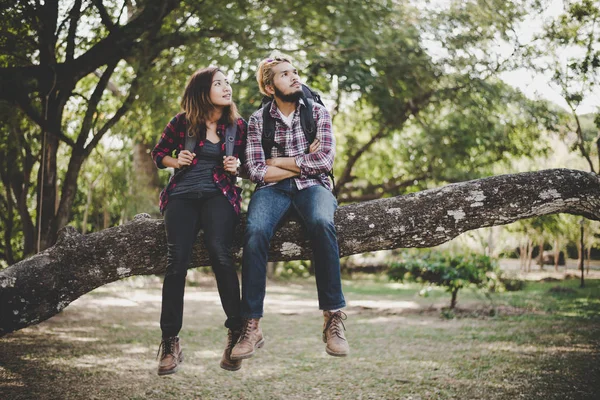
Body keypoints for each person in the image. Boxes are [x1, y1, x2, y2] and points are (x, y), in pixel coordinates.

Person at [230, 54, 349, 361]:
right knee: (254, 231)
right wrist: (300, 164)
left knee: (323, 223)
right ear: (270, 88)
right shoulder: (258, 120)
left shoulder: (318, 113)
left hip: (315, 189)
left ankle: (333, 318)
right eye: (285, 74)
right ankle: (252, 326)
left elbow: (325, 162)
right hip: (272, 190)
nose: (295, 77)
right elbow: (255, 170)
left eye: (295, 72)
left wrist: (279, 162)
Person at [151, 66, 247, 375]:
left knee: (220, 250)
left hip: (220, 193)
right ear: (202, 90)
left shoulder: (237, 126)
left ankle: (236, 332)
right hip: (182, 193)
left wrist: (238, 165)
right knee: (176, 260)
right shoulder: (182, 123)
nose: (226, 87)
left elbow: (251, 163)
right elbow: (159, 154)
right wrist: (174, 159)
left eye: (227, 82)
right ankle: (169, 341)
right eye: (218, 83)